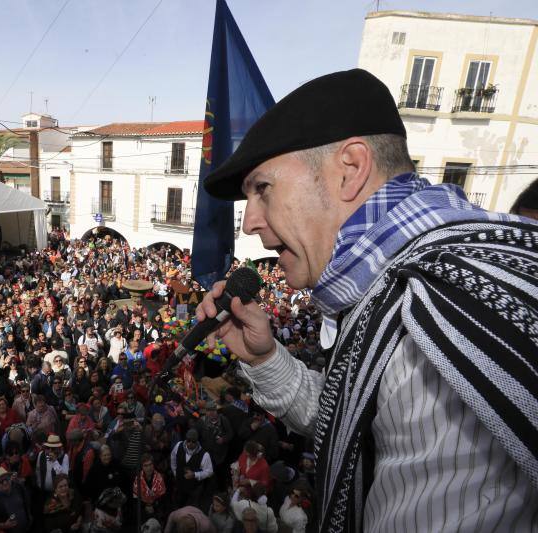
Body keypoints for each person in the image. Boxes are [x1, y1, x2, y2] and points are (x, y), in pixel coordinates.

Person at [198, 68, 538, 531]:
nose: (249, 222)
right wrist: (265, 359)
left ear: (351, 169)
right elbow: (351, 417)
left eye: (262, 188)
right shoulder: (394, 290)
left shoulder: (433, 312)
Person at [169, 429, 213, 511]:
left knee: (192, 508)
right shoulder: (178, 445)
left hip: (194, 488)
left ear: (197, 442)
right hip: (180, 484)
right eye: (188, 440)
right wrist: (175, 472)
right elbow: (173, 458)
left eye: (193, 441)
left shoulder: (204, 455)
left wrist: (195, 475)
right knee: (179, 504)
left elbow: (209, 471)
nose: (190, 443)